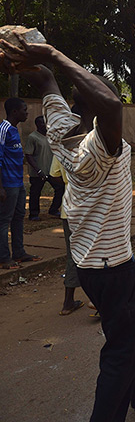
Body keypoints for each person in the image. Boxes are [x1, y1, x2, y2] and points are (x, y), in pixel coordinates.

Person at [1, 31, 135, 420]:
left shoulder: (64, 131)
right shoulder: (102, 147)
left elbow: (47, 80)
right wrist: (49, 51)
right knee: (120, 351)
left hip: (88, 263)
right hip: (112, 266)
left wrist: (22, 58)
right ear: (96, 107)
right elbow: (111, 102)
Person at [0, 97, 41, 269]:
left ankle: (19, 253)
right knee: (4, 220)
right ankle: (3, 258)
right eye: (24, 110)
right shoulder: (3, 130)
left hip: (18, 183)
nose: (27, 113)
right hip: (7, 184)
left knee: (18, 217)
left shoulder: (15, 130)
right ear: (15, 111)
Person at [49, 155, 84, 315]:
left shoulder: (60, 149)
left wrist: (68, 184)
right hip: (89, 209)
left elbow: (54, 175)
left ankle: (68, 301)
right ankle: (99, 299)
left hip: (68, 209)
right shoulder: (92, 145)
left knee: (73, 255)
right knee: (96, 253)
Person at [25, 114, 64, 220]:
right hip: (38, 172)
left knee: (60, 188)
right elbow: (28, 155)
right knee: (35, 193)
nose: (46, 125)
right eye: (43, 123)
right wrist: (37, 170)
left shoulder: (51, 136)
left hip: (51, 170)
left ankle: (54, 210)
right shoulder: (33, 137)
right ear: (38, 125)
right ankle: (33, 214)